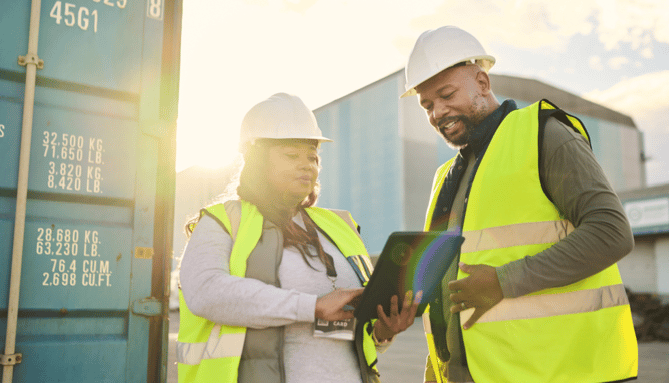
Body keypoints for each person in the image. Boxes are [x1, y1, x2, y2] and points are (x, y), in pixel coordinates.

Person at [400, 26, 638, 383]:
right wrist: (437, 370)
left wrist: (503, 281)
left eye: (446, 95)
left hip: (558, 371)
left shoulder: (544, 134)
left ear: (482, 82)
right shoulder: (445, 178)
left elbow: (611, 232)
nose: (437, 112)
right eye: (427, 105)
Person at [176, 93, 420, 383]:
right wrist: (311, 306)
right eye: (292, 155)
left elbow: (348, 332)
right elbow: (206, 293)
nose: (308, 165)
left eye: (312, 157)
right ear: (256, 160)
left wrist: (384, 331)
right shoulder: (224, 220)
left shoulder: (338, 226)